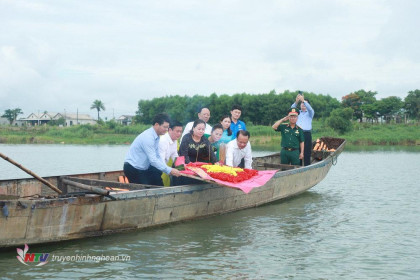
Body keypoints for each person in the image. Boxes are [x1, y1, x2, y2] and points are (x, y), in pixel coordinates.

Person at [123, 113, 181, 185]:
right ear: (156, 125)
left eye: (167, 127)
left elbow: (158, 156)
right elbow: (153, 160)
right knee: (144, 191)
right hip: (133, 168)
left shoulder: (157, 137)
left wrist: (179, 168)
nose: (166, 130)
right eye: (164, 127)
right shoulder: (148, 137)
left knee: (155, 185)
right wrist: (169, 170)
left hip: (144, 168)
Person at [291, 93, 314, 166]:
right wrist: (297, 101)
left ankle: (307, 166)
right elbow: (292, 109)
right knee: (298, 150)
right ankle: (298, 166)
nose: (303, 104)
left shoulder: (310, 113)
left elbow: (310, 108)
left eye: (304, 103)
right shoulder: (298, 113)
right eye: (302, 103)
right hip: (298, 132)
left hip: (306, 134)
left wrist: (303, 100)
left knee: (307, 151)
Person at [159, 120, 183, 186]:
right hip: (153, 168)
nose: (179, 134)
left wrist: (183, 168)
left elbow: (175, 155)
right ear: (170, 130)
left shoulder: (174, 140)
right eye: (177, 131)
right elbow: (161, 160)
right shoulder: (163, 140)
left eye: (181, 132)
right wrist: (171, 171)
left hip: (162, 168)